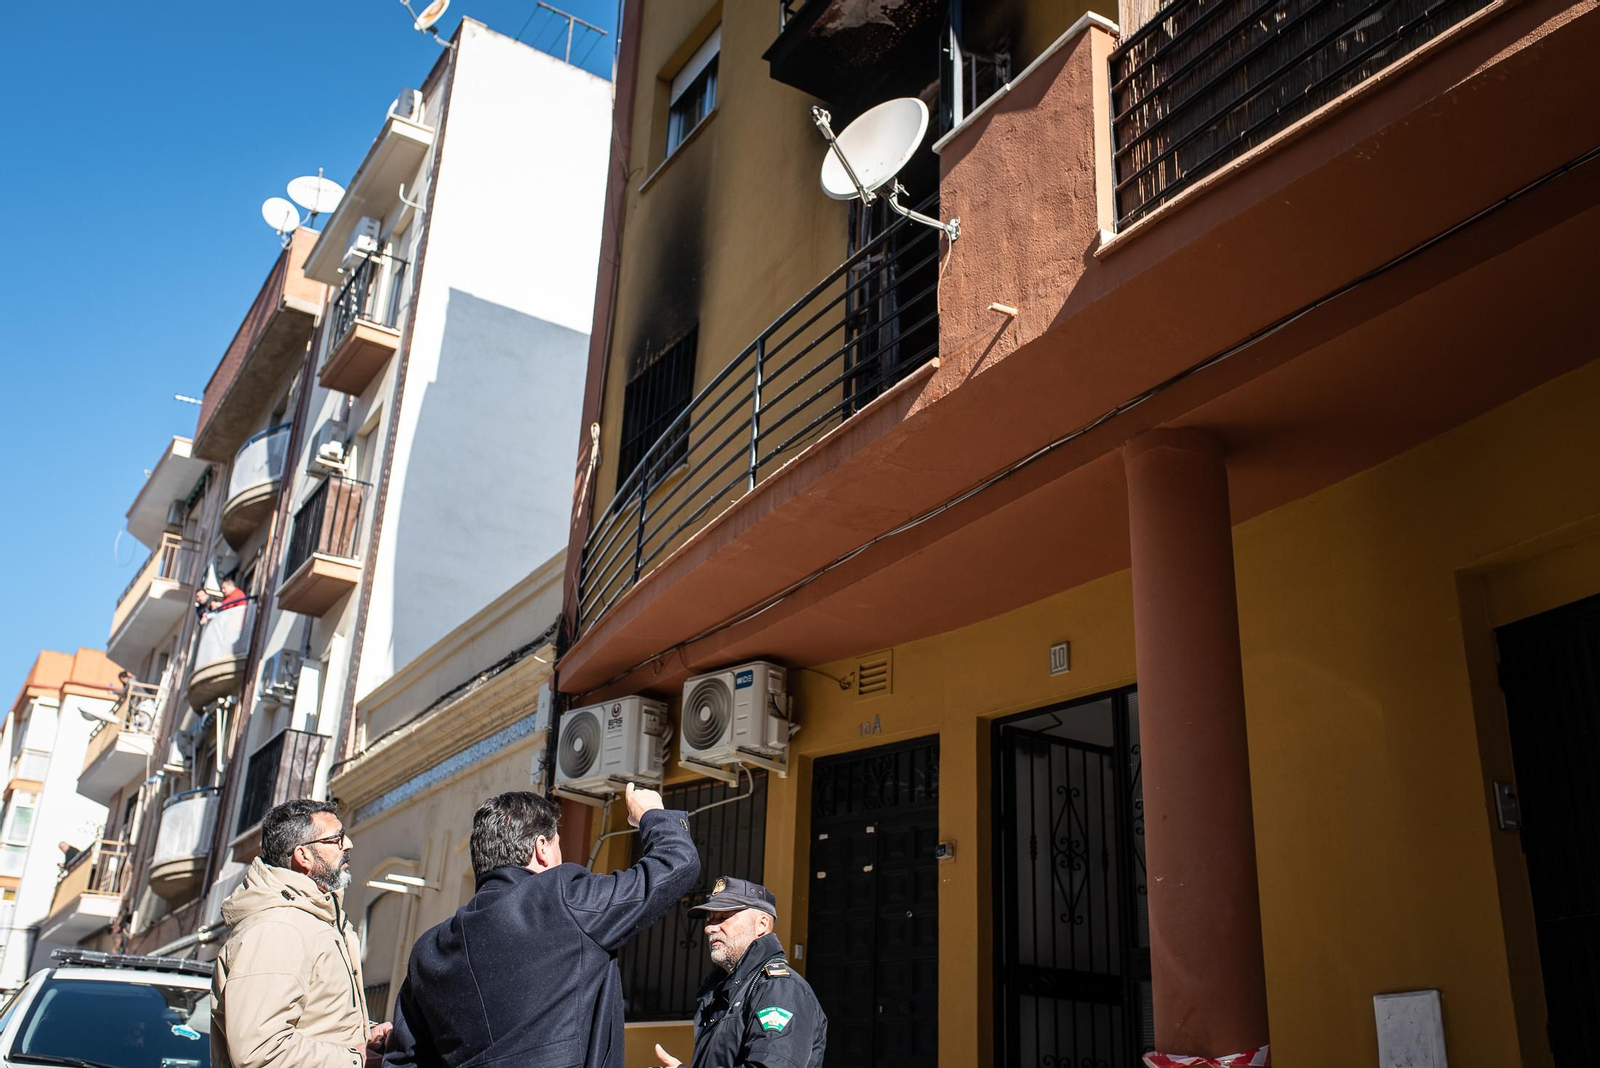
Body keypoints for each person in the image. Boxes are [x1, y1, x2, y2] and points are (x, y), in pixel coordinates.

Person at [386, 784, 699, 1068]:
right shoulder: (561, 897)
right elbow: (676, 863)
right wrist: (652, 814)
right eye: (558, 845)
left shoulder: (428, 950)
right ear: (542, 848)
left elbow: (403, 1061)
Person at [211, 799, 392, 1068]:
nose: (348, 844)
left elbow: (316, 1024)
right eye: (336, 839)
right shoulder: (278, 928)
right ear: (303, 856)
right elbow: (260, 1051)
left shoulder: (315, 920)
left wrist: (367, 1037)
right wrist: (356, 1060)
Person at [652, 877, 827, 1068]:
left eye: (723, 917)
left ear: (761, 925)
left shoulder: (779, 988)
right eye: (710, 919)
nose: (709, 928)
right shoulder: (724, 990)